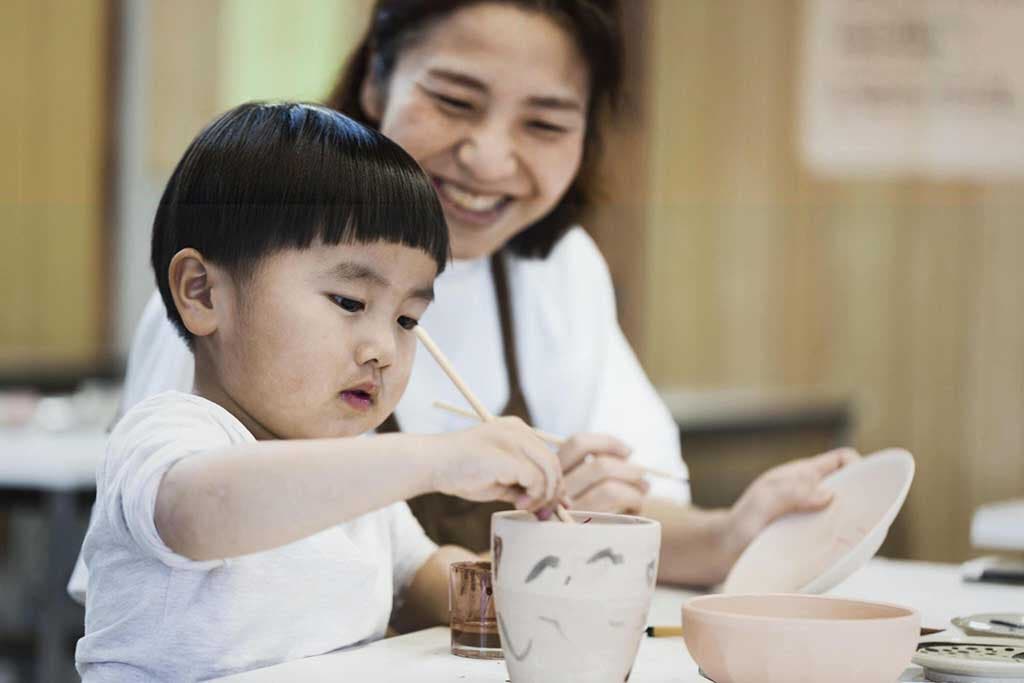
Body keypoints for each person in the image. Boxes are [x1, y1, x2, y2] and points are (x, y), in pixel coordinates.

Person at [70, 0, 856, 599]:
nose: (488, 157)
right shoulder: (250, 281)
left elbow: (619, 518)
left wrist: (729, 532)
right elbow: (188, 519)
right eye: (454, 102)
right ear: (378, 79)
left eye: (545, 122)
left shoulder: (557, 270)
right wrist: (433, 463)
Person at [75, 102, 565, 681]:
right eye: (350, 303)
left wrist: (511, 584)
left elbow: (418, 577)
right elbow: (200, 512)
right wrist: (434, 459)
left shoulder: (358, 474)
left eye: (407, 320)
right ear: (203, 294)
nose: (383, 347)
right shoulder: (171, 435)